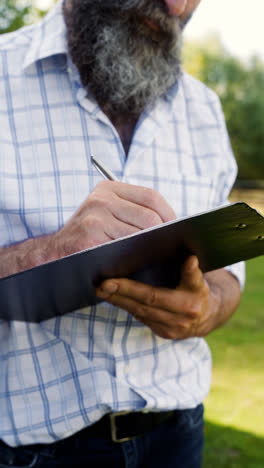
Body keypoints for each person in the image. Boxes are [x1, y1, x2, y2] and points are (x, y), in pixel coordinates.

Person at [0, 0, 245, 466]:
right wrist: (48, 252)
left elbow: (230, 275)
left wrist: (206, 307)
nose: (177, 6)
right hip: (26, 451)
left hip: (177, 435)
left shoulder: (205, 111)